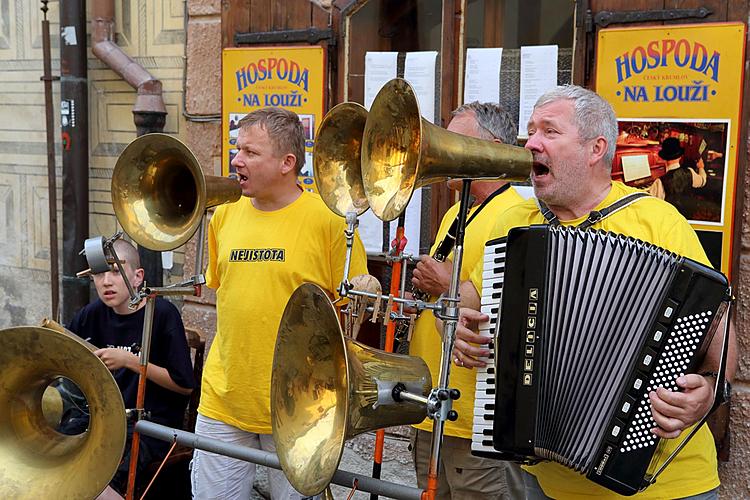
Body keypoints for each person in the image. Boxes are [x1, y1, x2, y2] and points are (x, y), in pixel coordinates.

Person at [453, 85, 737, 499]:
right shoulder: (516, 222)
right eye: (531, 130)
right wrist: (462, 330)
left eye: (549, 131)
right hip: (546, 483)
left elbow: (721, 337)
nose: (531, 142)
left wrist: (710, 393)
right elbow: (470, 301)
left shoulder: (657, 222)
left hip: (665, 488)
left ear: (595, 148)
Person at [190, 107, 368, 500]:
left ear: (288, 162)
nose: (237, 160)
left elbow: (352, 315)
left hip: (300, 406)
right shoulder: (224, 215)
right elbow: (227, 294)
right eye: (238, 150)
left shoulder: (331, 220)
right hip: (224, 398)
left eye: (251, 153)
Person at [407, 101, 526, 499]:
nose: (444, 152)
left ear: (491, 148)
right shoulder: (457, 212)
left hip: (474, 420)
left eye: (455, 141)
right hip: (435, 410)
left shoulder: (515, 211)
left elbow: (508, 308)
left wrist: (444, 285)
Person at [66, 238, 195, 500]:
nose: (106, 281)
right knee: (50, 450)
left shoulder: (162, 313)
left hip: (148, 425)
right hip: (100, 418)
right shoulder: (91, 314)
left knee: (99, 474)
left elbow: (184, 385)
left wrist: (130, 362)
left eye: (115, 270)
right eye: (99, 274)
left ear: (138, 277)